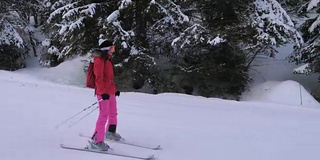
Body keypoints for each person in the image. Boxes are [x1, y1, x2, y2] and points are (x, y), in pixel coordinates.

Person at [89, 37, 122, 151]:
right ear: (106, 49)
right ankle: (96, 141)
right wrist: (102, 92)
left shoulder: (107, 60)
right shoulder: (99, 60)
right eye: (112, 48)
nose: (113, 50)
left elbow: (109, 79)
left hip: (110, 91)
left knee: (113, 112)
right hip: (103, 92)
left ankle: (110, 132)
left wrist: (115, 90)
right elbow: (99, 79)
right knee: (103, 115)